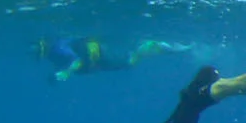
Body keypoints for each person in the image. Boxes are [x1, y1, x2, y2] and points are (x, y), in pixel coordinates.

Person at [38, 35, 179, 82]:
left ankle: (156, 46)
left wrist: (67, 72)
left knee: (130, 60)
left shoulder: (58, 48)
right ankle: (158, 47)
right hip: (97, 61)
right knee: (128, 61)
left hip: (98, 57)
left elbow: (77, 60)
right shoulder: (54, 53)